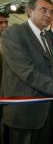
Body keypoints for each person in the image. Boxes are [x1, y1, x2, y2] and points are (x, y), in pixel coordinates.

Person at [1, 0, 53, 144]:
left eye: (51, 12)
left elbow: (51, 71)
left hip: (47, 111)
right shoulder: (14, 33)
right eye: (43, 10)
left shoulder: (46, 36)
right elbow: (28, 73)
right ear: (29, 11)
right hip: (25, 114)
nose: (48, 15)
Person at [0, 12, 8, 144]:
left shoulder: (8, 40)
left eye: (6, 22)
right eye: (1, 23)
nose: (5, 25)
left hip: (7, 89)